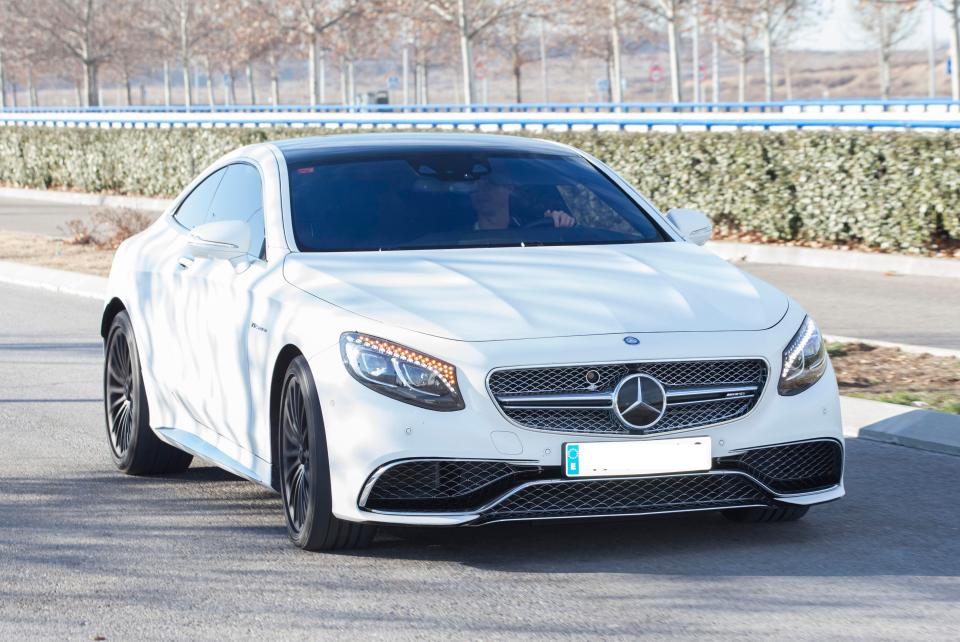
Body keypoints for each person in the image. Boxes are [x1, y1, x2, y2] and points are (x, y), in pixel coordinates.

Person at [468, 174, 575, 230]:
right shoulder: (457, 237)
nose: (481, 191)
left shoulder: (535, 231)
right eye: (475, 186)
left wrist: (561, 222)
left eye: (491, 184)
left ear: (509, 188)